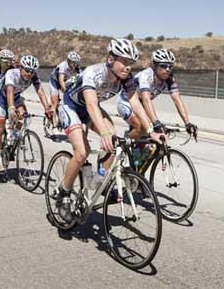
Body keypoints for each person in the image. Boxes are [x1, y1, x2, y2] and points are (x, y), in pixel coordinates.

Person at [55, 39, 164, 222]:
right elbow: (90, 104)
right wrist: (103, 132)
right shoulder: (94, 73)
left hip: (92, 108)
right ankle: (63, 193)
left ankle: (99, 182)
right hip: (71, 107)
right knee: (82, 152)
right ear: (111, 59)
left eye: (131, 63)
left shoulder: (126, 80)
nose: (128, 67)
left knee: (113, 141)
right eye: (124, 61)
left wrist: (151, 130)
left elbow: (135, 104)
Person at [0, 55, 50, 179]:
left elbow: (40, 91)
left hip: (16, 98)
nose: (29, 74)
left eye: (32, 71)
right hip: (2, 98)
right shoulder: (12, 73)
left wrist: (47, 109)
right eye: (27, 70)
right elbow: (10, 91)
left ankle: (12, 139)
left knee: (23, 117)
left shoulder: (33, 77)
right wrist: (11, 108)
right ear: (21, 67)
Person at [117, 49, 197, 139]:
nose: (167, 69)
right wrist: (156, 122)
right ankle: (124, 142)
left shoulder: (169, 79)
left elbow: (177, 101)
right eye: (163, 66)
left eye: (170, 66)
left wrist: (187, 123)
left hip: (142, 105)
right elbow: (146, 100)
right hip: (127, 103)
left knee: (151, 141)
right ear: (155, 65)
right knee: (143, 128)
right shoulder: (146, 76)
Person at [49, 51, 82, 126]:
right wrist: (65, 90)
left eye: (76, 62)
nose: (75, 64)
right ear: (69, 61)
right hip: (55, 81)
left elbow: (81, 77)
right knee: (55, 103)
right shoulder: (63, 65)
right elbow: (61, 80)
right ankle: (54, 124)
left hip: (64, 81)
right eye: (73, 62)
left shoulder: (77, 67)